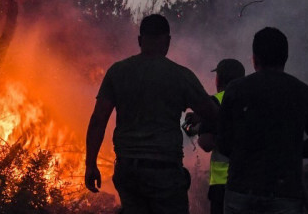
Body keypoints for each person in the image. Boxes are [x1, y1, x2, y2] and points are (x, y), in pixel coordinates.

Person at [85, 14, 219, 214]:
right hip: (164, 172)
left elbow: (98, 120)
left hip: (128, 171)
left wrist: (90, 165)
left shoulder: (118, 72)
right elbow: (211, 113)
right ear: (168, 41)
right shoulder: (180, 76)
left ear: (140, 40)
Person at [217, 27, 308, 214]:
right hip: (284, 193)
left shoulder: (235, 90)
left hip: (241, 190)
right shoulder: (302, 92)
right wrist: (289, 150)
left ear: (255, 58)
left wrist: (248, 153)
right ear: (285, 57)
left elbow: (223, 142)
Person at [184, 59, 245, 214]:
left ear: (219, 78)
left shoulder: (215, 101)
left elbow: (206, 143)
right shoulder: (252, 101)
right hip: (251, 182)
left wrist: (200, 128)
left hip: (223, 184)